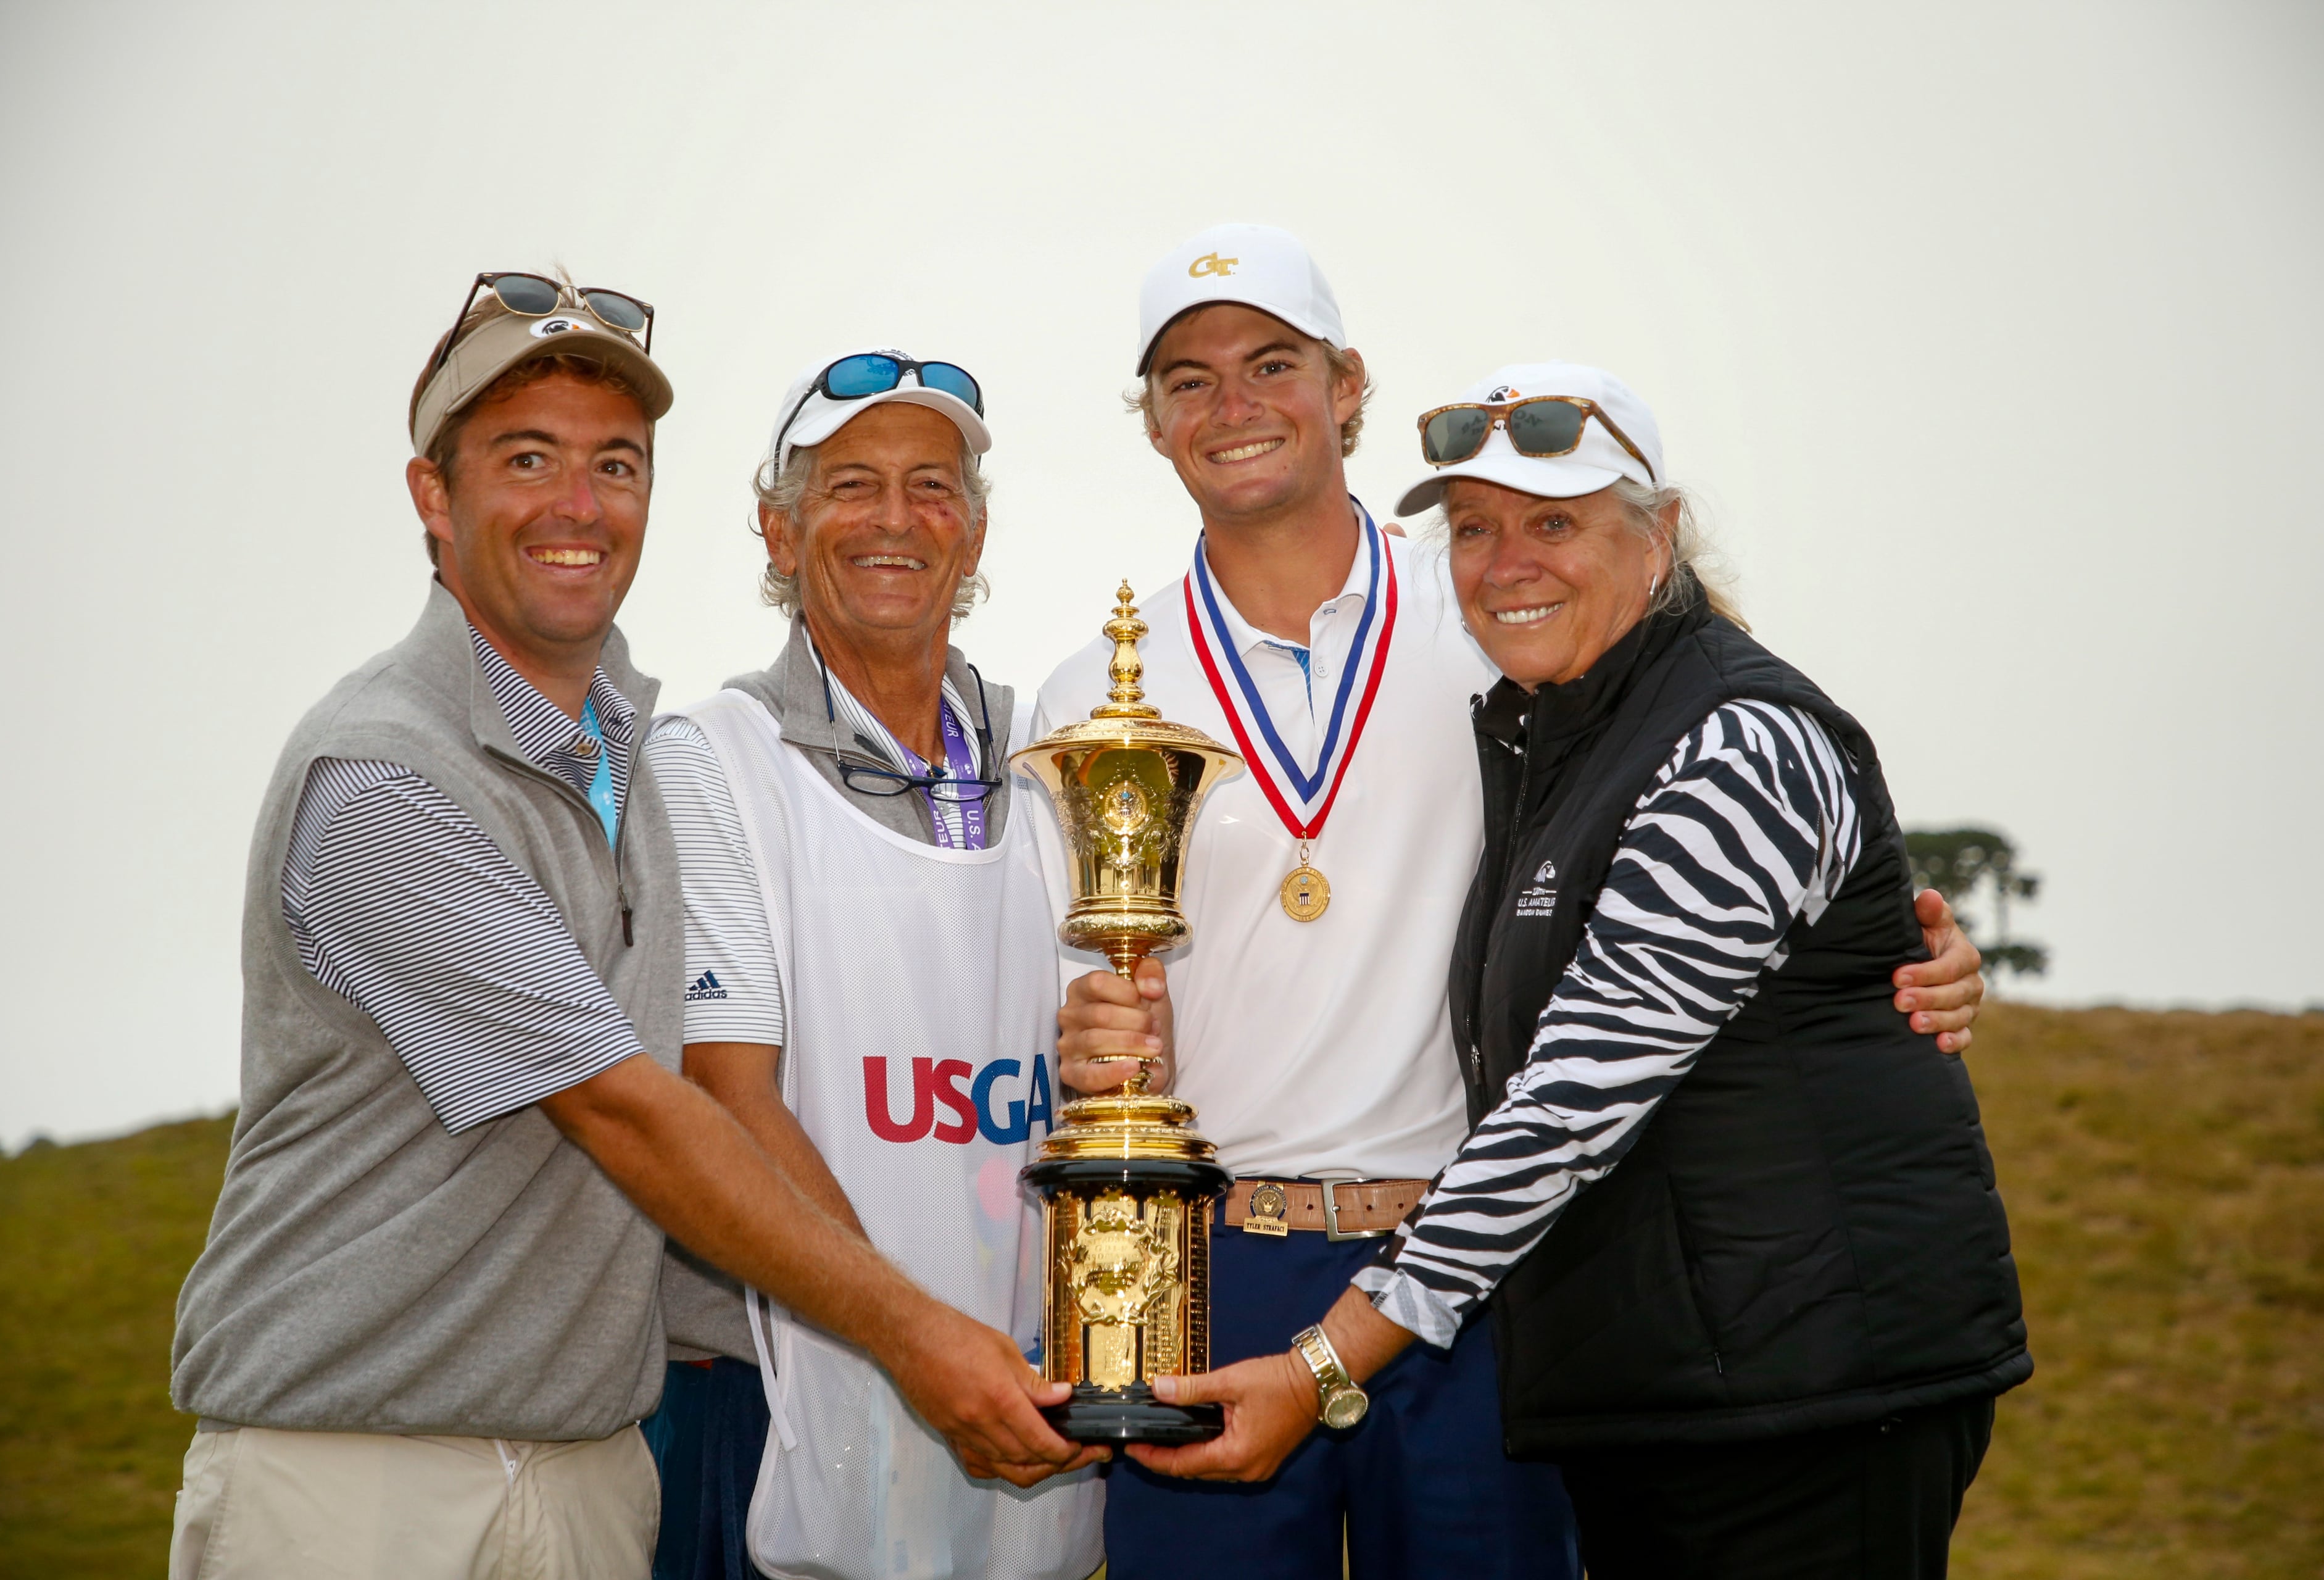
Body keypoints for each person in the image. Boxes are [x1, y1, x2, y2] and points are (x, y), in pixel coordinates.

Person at [1034, 228, 1990, 1580]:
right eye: (1187, 379)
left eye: (1270, 363)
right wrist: (1083, 1034)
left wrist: (1914, 949)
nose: (1232, 405)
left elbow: (1727, 828)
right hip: (1218, 1254)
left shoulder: (1489, 612)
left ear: (1348, 384)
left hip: (1481, 1259)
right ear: (1152, 422)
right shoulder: (1093, 689)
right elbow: (1057, 987)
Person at [168, 281, 1087, 1580]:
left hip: (589, 1458)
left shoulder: (630, 758)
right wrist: (921, 1332)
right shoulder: (384, 775)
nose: (579, 504)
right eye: (525, 458)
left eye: (615, 464)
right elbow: (632, 1110)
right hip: (361, 1467)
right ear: (435, 496)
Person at [640, 348, 1103, 1580]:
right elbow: (728, 1095)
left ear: (977, 529)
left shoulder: (1054, 753)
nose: (897, 519)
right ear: (779, 530)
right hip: (775, 1399)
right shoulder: (709, 760)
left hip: (1017, 1383)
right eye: (851, 485)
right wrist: (917, 1338)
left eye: (932, 485)